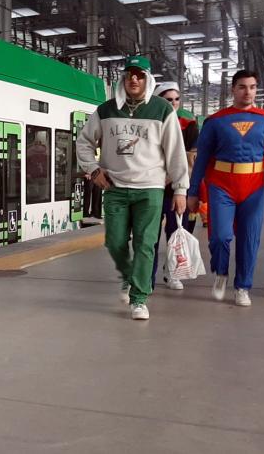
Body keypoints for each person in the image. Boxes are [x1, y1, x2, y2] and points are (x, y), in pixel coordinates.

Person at [76, 56, 189, 320]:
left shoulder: (162, 110)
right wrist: (93, 170)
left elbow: (175, 152)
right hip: (115, 187)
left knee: (145, 244)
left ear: (147, 79)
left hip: (150, 189)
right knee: (114, 242)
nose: (134, 79)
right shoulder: (105, 111)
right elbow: (83, 142)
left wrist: (181, 189)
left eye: (139, 75)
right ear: (123, 79)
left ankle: (139, 298)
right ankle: (129, 275)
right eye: (129, 75)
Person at [187, 70, 264, 307]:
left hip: (253, 186)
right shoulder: (215, 121)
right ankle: (221, 272)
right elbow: (201, 159)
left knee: (249, 239)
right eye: (242, 87)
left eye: (253, 87)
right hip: (221, 185)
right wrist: (193, 192)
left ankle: (243, 286)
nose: (248, 92)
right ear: (233, 89)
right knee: (220, 236)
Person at [150, 82, 200, 290]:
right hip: (151, 188)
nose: (173, 103)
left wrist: (168, 178)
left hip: (176, 190)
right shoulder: (149, 122)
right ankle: (147, 277)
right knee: (149, 235)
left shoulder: (188, 124)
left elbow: (190, 159)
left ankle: (172, 272)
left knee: (175, 232)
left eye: (176, 99)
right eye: (168, 99)